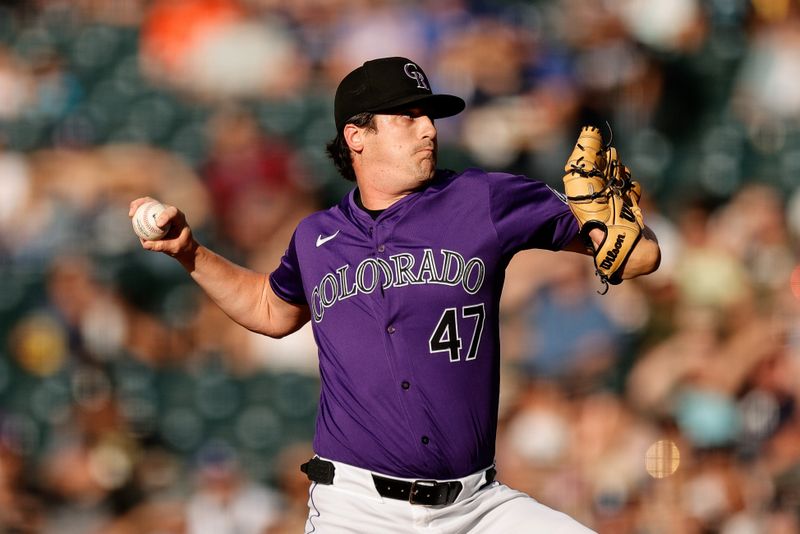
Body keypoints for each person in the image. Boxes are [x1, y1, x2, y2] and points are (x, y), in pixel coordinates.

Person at [130, 56, 661, 533]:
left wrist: (619, 228)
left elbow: (640, 257)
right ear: (357, 137)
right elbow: (271, 308)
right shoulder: (317, 238)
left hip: (478, 507)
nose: (429, 129)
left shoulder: (483, 199)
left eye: (429, 116)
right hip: (356, 510)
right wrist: (190, 252)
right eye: (408, 117)